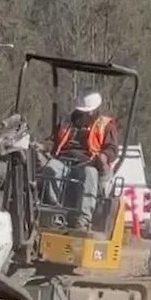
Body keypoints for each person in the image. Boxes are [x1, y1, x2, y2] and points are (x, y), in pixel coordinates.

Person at [40, 91, 120, 231]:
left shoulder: (105, 125)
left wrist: (104, 156)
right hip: (64, 161)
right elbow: (53, 141)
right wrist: (43, 146)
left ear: (94, 111)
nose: (84, 115)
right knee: (50, 168)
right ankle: (57, 211)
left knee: (89, 174)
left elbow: (112, 149)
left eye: (87, 112)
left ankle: (83, 218)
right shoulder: (67, 122)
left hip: (89, 163)